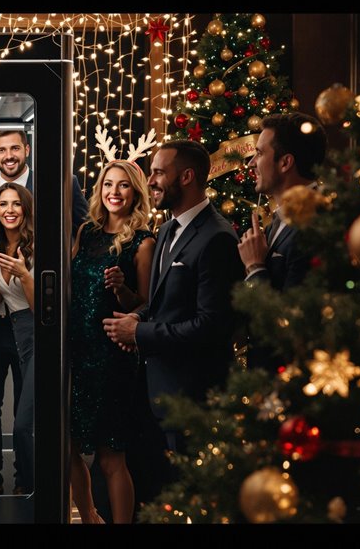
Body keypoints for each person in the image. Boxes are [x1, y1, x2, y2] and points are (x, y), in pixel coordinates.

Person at [0, 129, 88, 495]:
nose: (9, 155)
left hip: (36, 321)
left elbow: (82, 229)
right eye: (1, 149)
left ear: (27, 149)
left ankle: (27, 481)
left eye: (15, 147)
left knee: (27, 409)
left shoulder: (58, 180)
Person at [103, 140, 244, 459]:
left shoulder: (218, 237)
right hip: (157, 391)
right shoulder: (166, 229)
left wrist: (139, 333)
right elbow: (162, 302)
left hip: (193, 396)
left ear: (186, 177)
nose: (150, 181)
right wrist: (137, 318)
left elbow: (212, 326)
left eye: (158, 173)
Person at [68, 161, 155, 524]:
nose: (114, 192)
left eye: (123, 186)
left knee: (110, 457)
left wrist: (121, 289)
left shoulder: (143, 242)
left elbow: (146, 306)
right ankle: (90, 517)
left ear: (135, 193)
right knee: (68, 448)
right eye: (108, 184)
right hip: (75, 353)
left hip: (112, 356)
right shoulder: (86, 233)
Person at [0, 183, 39, 495]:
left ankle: (28, 485)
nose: (9, 210)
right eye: (3, 204)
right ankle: (16, 483)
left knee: (24, 422)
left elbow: (43, 308)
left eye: (16, 204)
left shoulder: (36, 246)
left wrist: (25, 274)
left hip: (35, 330)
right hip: (11, 330)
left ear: (26, 209)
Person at [238, 112, 326, 291]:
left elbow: (293, 306)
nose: (251, 163)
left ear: (285, 163)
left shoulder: (314, 225)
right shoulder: (277, 222)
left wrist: (254, 267)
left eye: (259, 153)